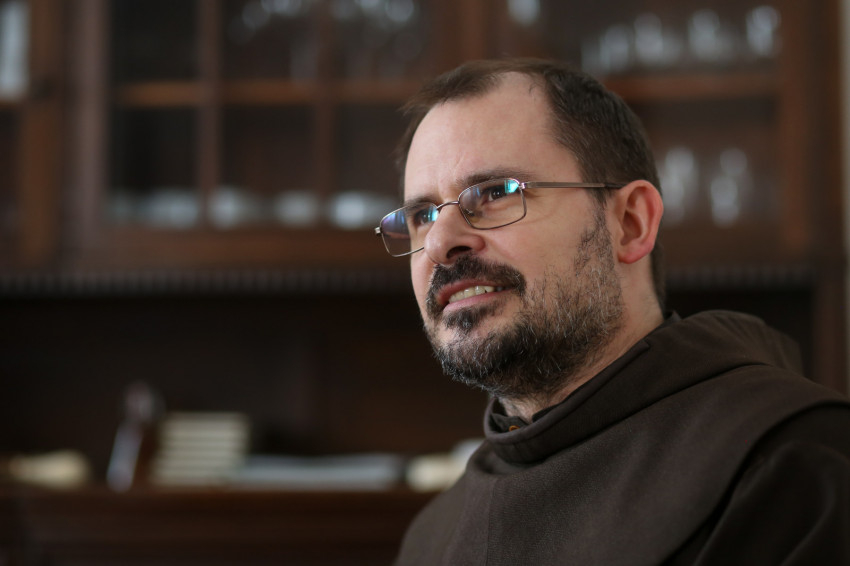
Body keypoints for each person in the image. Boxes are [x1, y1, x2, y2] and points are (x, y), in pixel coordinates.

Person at [374, 58, 850, 565]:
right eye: (422, 215)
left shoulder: (794, 467)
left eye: (496, 193)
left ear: (630, 223)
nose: (440, 243)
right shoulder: (431, 539)